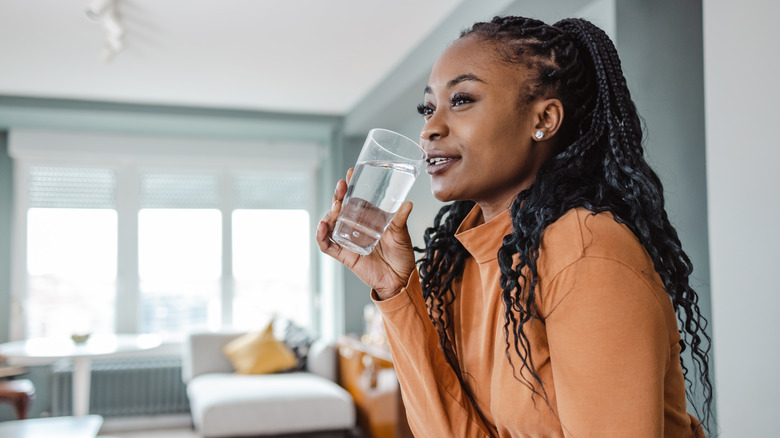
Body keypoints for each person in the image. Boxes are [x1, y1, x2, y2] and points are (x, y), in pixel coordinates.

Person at [317, 15, 712, 437]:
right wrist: (396, 290)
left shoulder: (586, 250)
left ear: (543, 120)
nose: (430, 129)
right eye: (429, 108)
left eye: (463, 99)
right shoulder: (462, 261)